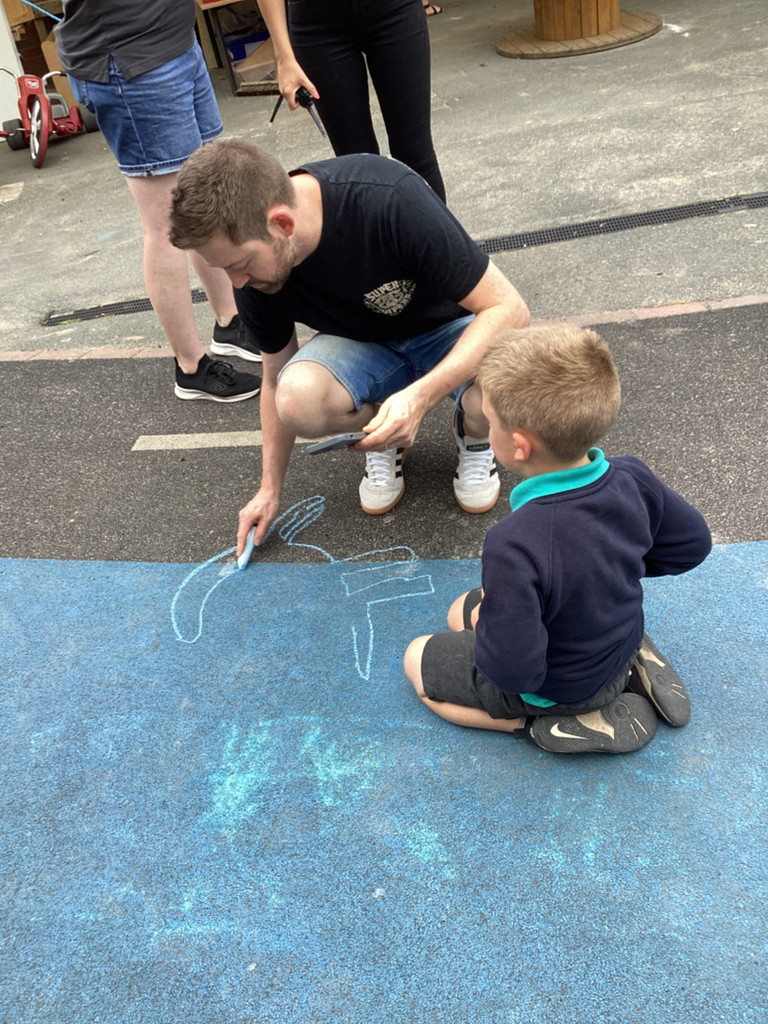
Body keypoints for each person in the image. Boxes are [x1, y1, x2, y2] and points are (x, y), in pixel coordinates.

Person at [168, 139, 530, 551]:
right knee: (295, 399)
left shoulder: (387, 198)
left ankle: (473, 433)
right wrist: (269, 490)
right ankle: (385, 433)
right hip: (363, 345)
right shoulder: (252, 273)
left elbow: (509, 308)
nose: (237, 282)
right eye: (224, 269)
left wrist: (421, 397)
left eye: (241, 264)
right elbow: (272, 379)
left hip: (448, 329)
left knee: (504, 391)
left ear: (282, 224)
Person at [404, 324, 712, 755]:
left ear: (519, 446)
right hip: (620, 640)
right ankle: (628, 663)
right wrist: (608, 570)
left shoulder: (514, 542)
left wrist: (498, 634)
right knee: (462, 610)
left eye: (489, 422)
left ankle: (542, 724)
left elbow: (513, 672)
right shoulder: (632, 477)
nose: (486, 428)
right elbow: (692, 546)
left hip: (562, 689)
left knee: (416, 658)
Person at [54, 0, 262, 403]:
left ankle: (230, 322)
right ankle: (191, 367)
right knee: (166, 224)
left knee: (203, 197)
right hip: (133, 62)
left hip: (177, 42)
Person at [257, 0, 446, 201]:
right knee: (357, 167)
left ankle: (434, 223)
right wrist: (284, 59)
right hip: (317, 25)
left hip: (394, 10)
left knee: (416, 155)